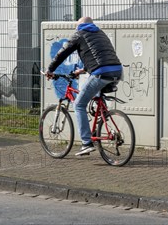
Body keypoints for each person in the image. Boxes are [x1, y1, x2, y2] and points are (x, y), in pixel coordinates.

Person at [46, 16, 123, 156]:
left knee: (79, 105)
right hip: (117, 71)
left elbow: (63, 53)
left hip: (101, 72)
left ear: (79, 26)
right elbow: (99, 56)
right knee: (96, 96)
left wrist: (50, 69)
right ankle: (101, 120)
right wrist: (83, 70)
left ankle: (86, 143)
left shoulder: (79, 34)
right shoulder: (100, 33)